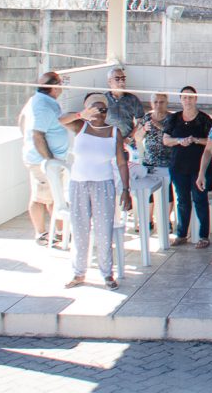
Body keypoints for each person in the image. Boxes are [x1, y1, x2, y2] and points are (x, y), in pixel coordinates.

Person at [61, 93, 132, 290]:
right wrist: (81, 114)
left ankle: (107, 273)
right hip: (79, 184)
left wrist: (126, 189)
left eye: (103, 110)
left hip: (103, 185)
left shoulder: (113, 132)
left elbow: (121, 162)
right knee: (80, 228)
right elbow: (60, 120)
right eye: (95, 109)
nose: (99, 113)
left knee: (104, 230)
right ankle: (79, 272)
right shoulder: (80, 126)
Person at [19, 72, 71, 245]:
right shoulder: (42, 105)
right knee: (42, 198)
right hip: (43, 161)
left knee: (51, 197)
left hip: (47, 160)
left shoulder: (41, 101)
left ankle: (58, 231)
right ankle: (42, 234)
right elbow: (37, 135)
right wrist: (50, 161)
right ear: (55, 86)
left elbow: (21, 122)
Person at [163, 86, 212, 247]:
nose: (188, 100)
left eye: (191, 97)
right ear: (180, 99)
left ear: (196, 99)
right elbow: (166, 139)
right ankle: (181, 234)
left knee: (200, 199)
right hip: (178, 166)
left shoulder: (204, 119)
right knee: (182, 200)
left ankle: (203, 236)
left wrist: (195, 140)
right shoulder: (173, 118)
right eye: (184, 97)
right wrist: (179, 141)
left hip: (200, 167)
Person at [132, 92, 173, 234]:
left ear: (166, 103)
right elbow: (137, 138)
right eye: (155, 102)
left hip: (168, 161)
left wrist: (157, 125)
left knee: (167, 191)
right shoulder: (147, 118)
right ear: (151, 103)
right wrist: (144, 129)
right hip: (150, 161)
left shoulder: (172, 118)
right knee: (147, 190)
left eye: (161, 102)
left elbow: (174, 137)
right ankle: (148, 220)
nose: (158, 105)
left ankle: (166, 221)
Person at [104, 67, 145, 138]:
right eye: (117, 79)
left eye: (123, 79)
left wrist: (131, 136)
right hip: (107, 139)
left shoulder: (133, 99)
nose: (121, 81)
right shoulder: (103, 99)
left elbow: (141, 120)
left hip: (127, 141)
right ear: (109, 82)